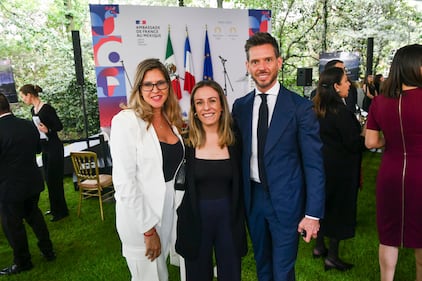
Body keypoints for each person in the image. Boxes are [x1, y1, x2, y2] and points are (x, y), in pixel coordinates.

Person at [231, 32, 325, 281]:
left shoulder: (300, 108)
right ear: (247, 66)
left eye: (268, 60)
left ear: (279, 62)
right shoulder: (240, 107)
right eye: (255, 61)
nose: (262, 67)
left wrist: (312, 214)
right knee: (263, 265)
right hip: (253, 200)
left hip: (287, 201)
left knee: (282, 271)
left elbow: (314, 164)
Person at [110, 58, 185, 281]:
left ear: (168, 86)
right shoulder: (126, 121)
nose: (155, 89)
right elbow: (125, 182)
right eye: (148, 84)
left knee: (161, 274)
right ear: (139, 88)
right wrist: (148, 230)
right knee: (149, 276)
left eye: (161, 83)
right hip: (141, 218)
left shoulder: (169, 119)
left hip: (169, 211)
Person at [176, 80, 247, 281]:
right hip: (196, 221)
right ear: (194, 109)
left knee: (231, 276)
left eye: (212, 101)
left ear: (222, 105)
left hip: (229, 221)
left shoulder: (236, 139)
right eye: (199, 102)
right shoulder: (186, 141)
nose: (206, 107)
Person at [365, 44, 422, 281]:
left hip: (390, 172)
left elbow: (370, 142)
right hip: (420, 172)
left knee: (388, 235)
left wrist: (392, 139)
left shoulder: (380, 102)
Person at [312, 67, 366, 271]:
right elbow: (353, 144)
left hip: (322, 167)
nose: (349, 84)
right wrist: (365, 136)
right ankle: (332, 257)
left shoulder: (316, 108)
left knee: (323, 207)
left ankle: (319, 247)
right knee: (338, 211)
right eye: (345, 81)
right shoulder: (341, 112)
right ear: (336, 86)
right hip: (341, 171)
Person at [0, 93, 56, 275]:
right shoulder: (26, 124)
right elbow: (38, 149)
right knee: (34, 215)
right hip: (32, 181)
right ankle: (48, 251)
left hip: (8, 187)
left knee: (13, 226)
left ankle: (23, 262)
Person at [19, 84, 69, 222]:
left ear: (29, 95)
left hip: (54, 147)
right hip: (45, 148)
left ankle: (61, 211)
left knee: (55, 180)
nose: (23, 99)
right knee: (48, 179)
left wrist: (48, 130)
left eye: (23, 96)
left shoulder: (47, 109)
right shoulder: (33, 110)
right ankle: (54, 208)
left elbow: (59, 126)